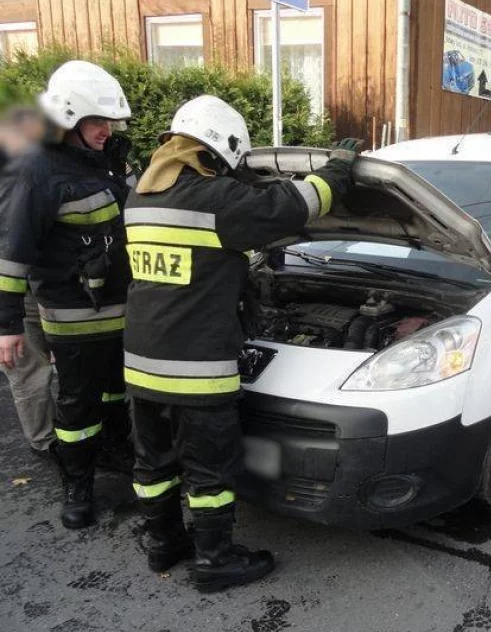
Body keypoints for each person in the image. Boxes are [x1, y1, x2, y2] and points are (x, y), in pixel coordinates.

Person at [123, 95, 361, 592]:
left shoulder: (140, 197)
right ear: (219, 151)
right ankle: (215, 561)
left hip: (142, 363)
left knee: (154, 462)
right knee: (210, 470)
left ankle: (163, 543)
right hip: (196, 368)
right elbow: (296, 205)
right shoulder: (217, 200)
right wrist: (338, 170)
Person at [0, 61, 136, 529]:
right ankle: (77, 487)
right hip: (73, 315)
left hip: (120, 307)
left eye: (109, 121)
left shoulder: (105, 161)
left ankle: (114, 450)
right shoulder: (38, 173)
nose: (106, 130)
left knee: (116, 390)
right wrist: (7, 326)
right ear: (69, 119)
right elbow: (13, 253)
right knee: (79, 404)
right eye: (97, 121)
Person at [0, 107, 56, 460]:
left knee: (35, 363)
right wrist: (6, 324)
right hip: (18, 287)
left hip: (37, 281)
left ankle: (50, 437)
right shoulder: (19, 177)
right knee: (28, 366)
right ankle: (46, 442)